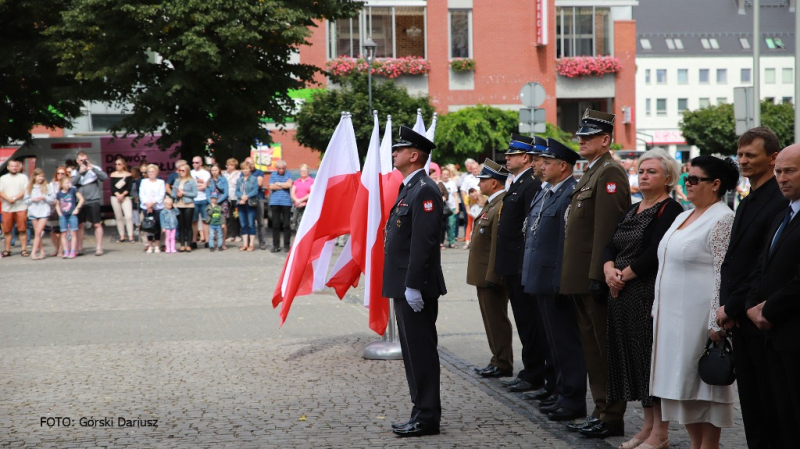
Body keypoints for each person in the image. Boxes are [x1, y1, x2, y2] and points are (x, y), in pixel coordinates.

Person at [650, 155, 739, 449]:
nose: (687, 184)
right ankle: (694, 444)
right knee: (683, 388)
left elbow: (722, 271)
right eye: (686, 178)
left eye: (694, 179)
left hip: (699, 318)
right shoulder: (683, 215)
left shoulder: (723, 218)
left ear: (715, 185)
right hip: (673, 319)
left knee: (704, 389)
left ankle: (708, 446)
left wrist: (716, 320)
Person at [601, 148, 683, 449]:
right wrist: (609, 269)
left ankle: (660, 432)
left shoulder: (670, 210)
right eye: (641, 171)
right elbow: (610, 244)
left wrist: (623, 276)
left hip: (644, 293)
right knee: (633, 363)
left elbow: (655, 252)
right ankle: (647, 426)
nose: (644, 176)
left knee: (651, 362)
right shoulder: (631, 208)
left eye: (651, 172)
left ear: (668, 178)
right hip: (620, 293)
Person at [561, 109, 631, 439]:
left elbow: (607, 229)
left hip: (595, 278)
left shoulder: (610, 171)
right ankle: (600, 408)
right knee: (592, 348)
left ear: (606, 140)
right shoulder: (593, 172)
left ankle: (611, 414)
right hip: (580, 278)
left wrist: (598, 274)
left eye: (588, 136)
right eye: (580, 135)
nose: (581, 140)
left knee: (603, 350)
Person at [715, 127, 786, 449]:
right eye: (740, 155)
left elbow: (761, 265)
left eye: (750, 155)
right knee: (753, 403)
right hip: (740, 315)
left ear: (773, 158)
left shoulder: (777, 200)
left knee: (770, 403)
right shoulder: (749, 198)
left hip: (760, 313)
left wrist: (734, 305)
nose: (742, 161)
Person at [384, 125, 446, 438]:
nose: (394, 153)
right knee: (412, 352)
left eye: (399, 149)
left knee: (421, 351)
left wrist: (413, 284)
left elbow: (424, 243)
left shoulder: (425, 189)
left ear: (414, 155)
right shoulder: (409, 187)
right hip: (404, 284)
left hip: (415, 287)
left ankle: (427, 416)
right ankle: (420, 410)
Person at [521, 138, 587, 421]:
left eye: (547, 162)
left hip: (554, 278)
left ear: (563, 166)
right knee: (553, 341)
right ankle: (561, 393)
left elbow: (566, 241)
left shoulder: (569, 193)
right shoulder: (548, 192)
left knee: (566, 342)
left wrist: (562, 278)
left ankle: (573, 399)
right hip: (539, 277)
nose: (541, 166)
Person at [744, 144, 800, 448]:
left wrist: (769, 310)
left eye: (789, 171)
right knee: (780, 418)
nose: (781, 178)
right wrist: (752, 305)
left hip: (791, 332)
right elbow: (761, 267)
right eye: (778, 171)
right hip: (772, 337)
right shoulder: (784, 215)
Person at [495, 135, 551, 395]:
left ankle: (534, 372)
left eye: (512, 154)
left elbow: (529, 228)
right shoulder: (517, 183)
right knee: (524, 320)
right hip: (512, 264)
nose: (507, 158)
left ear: (526, 158)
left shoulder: (529, 184)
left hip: (520, 265)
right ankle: (531, 371)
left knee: (530, 323)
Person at [466, 159, 512, 380]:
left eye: (483, 180)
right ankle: (497, 359)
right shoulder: (491, 204)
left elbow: (497, 243)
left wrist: (493, 275)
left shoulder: (501, 204)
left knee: (496, 319)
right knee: (490, 319)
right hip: (483, 275)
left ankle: (502, 362)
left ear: (494, 183)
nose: (480, 183)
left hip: (490, 275)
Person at [70, 151, 108, 256]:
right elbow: (71, 183)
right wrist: (80, 173)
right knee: (80, 225)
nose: (83, 162)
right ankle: (79, 248)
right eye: (81, 160)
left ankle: (99, 248)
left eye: (85, 160)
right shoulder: (75, 172)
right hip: (80, 201)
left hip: (93, 199)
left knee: (96, 224)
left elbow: (104, 177)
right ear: (77, 161)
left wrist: (93, 169)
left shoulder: (94, 168)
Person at [23, 168, 56, 260]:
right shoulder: (30, 187)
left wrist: (44, 198)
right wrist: (33, 199)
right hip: (33, 211)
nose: (41, 178)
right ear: (34, 176)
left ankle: (33, 253)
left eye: (42, 176)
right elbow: (26, 200)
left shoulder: (47, 186)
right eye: (39, 176)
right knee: (38, 234)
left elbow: (52, 200)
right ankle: (42, 251)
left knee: (38, 232)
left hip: (44, 211)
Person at [0, 160, 30, 257]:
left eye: (16, 166)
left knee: (22, 229)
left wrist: (15, 198)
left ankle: (24, 250)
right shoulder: (3, 178)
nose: (14, 168)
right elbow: (0, 191)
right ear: (8, 167)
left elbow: (25, 190)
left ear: (19, 167)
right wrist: (8, 199)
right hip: (7, 208)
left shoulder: (23, 177)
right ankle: (7, 250)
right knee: (7, 230)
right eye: (12, 166)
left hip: (21, 206)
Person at [138, 164, 166, 253]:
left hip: (158, 207)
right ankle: (150, 245)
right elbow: (141, 194)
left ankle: (157, 245)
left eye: (152, 171)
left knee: (157, 226)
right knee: (148, 227)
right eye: (149, 172)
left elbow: (162, 194)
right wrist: (147, 204)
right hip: (146, 207)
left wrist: (153, 203)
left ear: (156, 172)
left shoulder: (161, 182)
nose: (151, 173)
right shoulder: (144, 182)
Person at [171, 164, 197, 252]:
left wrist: (184, 193)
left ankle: (189, 244)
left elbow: (195, 194)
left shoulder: (192, 181)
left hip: (188, 204)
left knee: (188, 225)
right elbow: (172, 194)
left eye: (183, 170)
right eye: (180, 170)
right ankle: (182, 244)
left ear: (187, 171)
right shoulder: (177, 181)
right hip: (179, 204)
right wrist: (177, 194)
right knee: (181, 225)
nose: (181, 172)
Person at [56, 176, 84, 259]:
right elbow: (57, 205)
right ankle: (66, 251)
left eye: (69, 182)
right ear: (61, 184)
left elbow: (81, 199)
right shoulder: (59, 193)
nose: (68, 184)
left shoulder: (73, 190)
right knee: (63, 233)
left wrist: (77, 209)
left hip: (72, 214)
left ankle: (73, 251)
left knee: (73, 233)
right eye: (66, 183)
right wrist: (59, 214)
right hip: (63, 215)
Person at [268, 159, 293, 252]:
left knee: (286, 225)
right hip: (275, 202)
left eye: (283, 168)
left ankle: (287, 245)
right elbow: (270, 186)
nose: (281, 170)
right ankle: (276, 245)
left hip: (286, 202)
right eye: (279, 168)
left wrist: (277, 184)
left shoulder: (289, 174)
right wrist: (283, 184)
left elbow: (289, 185)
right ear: (276, 168)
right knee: (275, 225)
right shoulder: (273, 174)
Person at [243, 156, 267, 249]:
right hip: (246, 200)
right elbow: (241, 185)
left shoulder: (259, 172)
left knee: (260, 222)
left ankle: (262, 242)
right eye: (248, 163)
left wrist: (249, 183)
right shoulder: (242, 174)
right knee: (248, 222)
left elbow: (260, 183)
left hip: (258, 199)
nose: (251, 165)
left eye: (252, 163)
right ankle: (248, 243)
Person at [236, 161, 259, 252]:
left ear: (250, 170)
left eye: (247, 169)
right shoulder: (239, 179)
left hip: (250, 203)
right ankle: (245, 244)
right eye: (244, 169)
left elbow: (255, 190)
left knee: (251, 224)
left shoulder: (254, 179)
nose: (245, 170)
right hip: (240, 203)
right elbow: (237, 191)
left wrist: (246, 197)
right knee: (243, 224)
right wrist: (241, 196)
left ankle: (251, 244)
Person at [110, 158, 135, 243]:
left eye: (119, 164)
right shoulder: (113, 175)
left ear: (123, 165)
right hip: (115, 197)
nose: (117, 166)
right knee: (119, 217)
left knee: (129, 216)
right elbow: (112, 187)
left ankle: (130, 235)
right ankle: (122, 235)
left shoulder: (128, 175)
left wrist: (123, 194)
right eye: (116, 164)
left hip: (126, 197)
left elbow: (129, 187)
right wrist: (117, 194)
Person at [459, 158, 481, 249]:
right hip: (471, 203)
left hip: (481, 203)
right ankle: (468, 242)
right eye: (473, 169)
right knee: (469, 223)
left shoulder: (483, 176)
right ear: (471, 170)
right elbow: (463, 191)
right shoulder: (467, 178)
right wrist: (466, 203)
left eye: (476, 168)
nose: (475, 170)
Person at [190, 156, 211, 248]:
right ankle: (194, 241)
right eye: (193, 162)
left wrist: (195, 186)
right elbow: (189, 187)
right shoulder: (190, 173)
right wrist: (198, 185)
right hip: (193, 200)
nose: (195, 164)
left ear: (201, 163)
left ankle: (207, 241)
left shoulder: (206, 173)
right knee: (194, 221)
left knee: (205, 221)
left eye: (197, 162)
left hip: (204, 199)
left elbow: (204, 186)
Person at [208, 164, 229, 249]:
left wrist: (218, 202)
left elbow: (226, 193)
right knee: (214, 222)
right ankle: (217, 243)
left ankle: (223, 243)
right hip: (212, 204)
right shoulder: (209, 181)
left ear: (219, 170)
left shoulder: (223, 179)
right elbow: (207, 193)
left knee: (222, 223)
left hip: (222, 203)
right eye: (212, 170)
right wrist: (211, 203)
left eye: (216, 170)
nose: (214, 172)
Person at [48, 166, 68, 257]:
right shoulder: (52, 184)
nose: (60, 175)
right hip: (53, 209)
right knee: (53, 232)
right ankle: (57, 249)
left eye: (62, 173)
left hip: (64, 209)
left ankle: (61, 250)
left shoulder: (68, 184)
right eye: (58, 173)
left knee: (61, 232)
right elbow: (49, 195)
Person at [290, 163, 314, 232]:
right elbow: (292, 193)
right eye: (302, 171)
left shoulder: (312, 181)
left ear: (308, 171)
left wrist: (301, 200)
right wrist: (297, 201)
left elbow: (311, 193)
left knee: (305, 224)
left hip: (307, 206)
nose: (303, 172)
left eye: (305, 171)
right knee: (296, 224)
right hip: (297, 206)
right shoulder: (296, 181)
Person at [439, 167, 459, 248]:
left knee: (451, 225)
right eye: (444, 174)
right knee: (442, 226)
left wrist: (457, 207)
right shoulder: (439, 183)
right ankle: (441, 242)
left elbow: (455, 196)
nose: (445, 176)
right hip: (442, 208)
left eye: (447, 174)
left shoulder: (452, 183)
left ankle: (451, 242)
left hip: (452, 207)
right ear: (441, 175)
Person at [223, 158, 242, 243]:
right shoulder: (224, 174)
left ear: (234, 166)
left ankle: (237, 234)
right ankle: (230, 235)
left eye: (230, 165)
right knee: (228, 217)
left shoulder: (238, 174)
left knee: (236, 216)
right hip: (227, 198)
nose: (228, 166)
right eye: (227, 165)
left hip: (235, 198)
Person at [130, 166, 142, 239]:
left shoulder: (140, 180)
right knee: (133, 213)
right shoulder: (131, 180)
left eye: (133, 172)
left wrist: (138, 197)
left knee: (138, 213)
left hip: (138, 199)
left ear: (137, 172)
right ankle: (135, 226)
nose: (131, 173)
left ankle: (138, 226)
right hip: (132, 199)